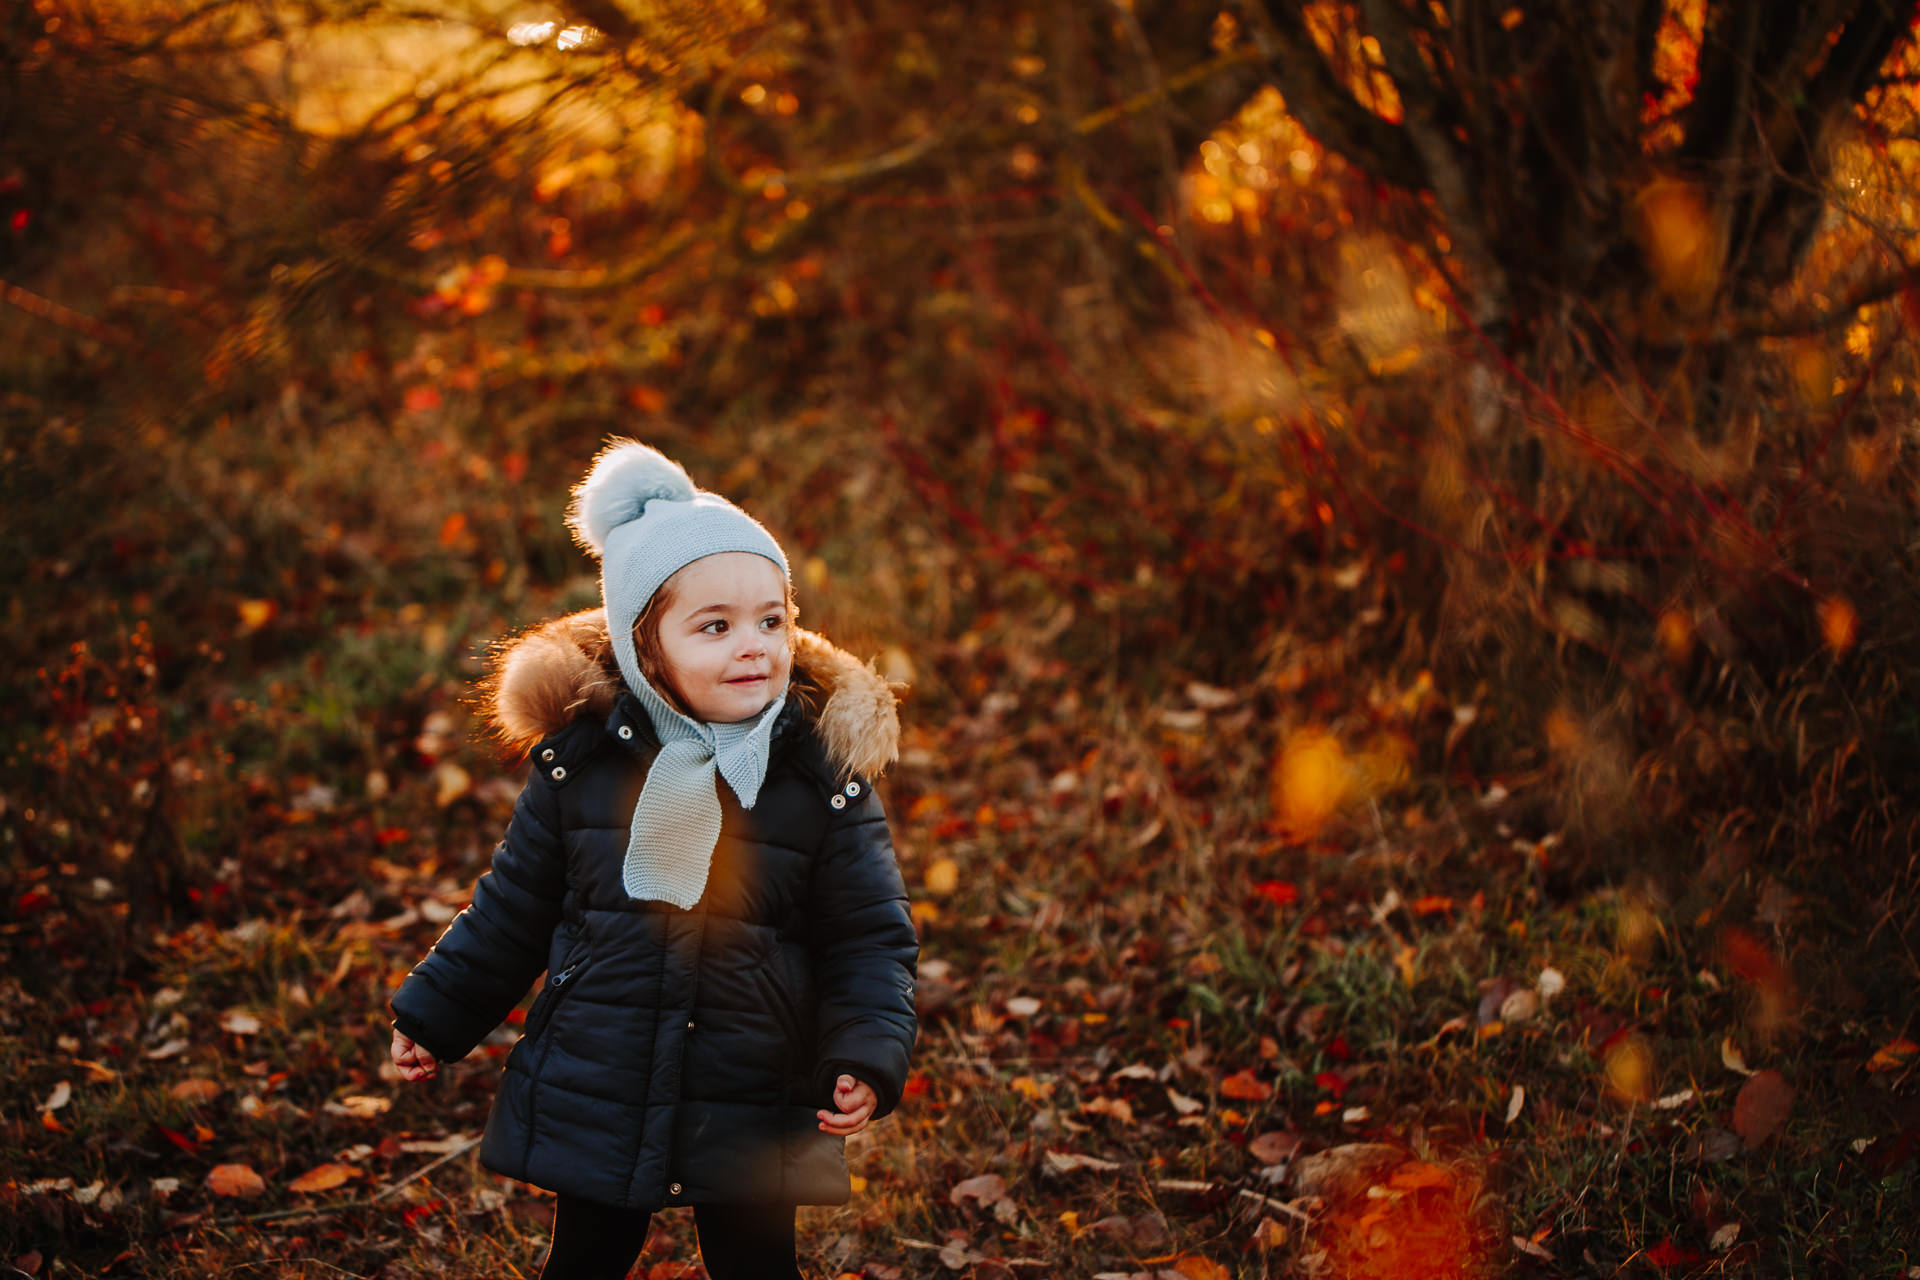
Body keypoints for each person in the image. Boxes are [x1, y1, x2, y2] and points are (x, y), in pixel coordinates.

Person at [387, 439, 919, 1280]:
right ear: (647, 648)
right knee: (587, 1258)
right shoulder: (584, 768)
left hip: (753, 1077)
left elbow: (868, 939)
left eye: (771, 619)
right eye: (715, 626)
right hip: (607, 1068)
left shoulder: (820, 780)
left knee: (756, 1261)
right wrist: (435, 1013)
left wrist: (863, 1055)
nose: (754, 645)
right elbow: (512, 907)